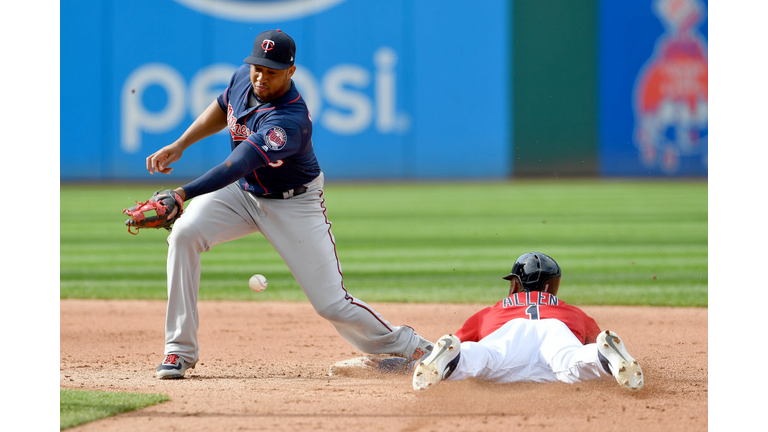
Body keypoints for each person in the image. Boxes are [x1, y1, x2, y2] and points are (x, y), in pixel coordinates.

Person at [144, 29, 433, 379]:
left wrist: (181, 194)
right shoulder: (243, 77)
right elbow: (224, 107)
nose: (262, 77)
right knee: (184, 234)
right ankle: (179, 351)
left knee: (331, 303)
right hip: (242, 193)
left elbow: (238, 163)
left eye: (273, 71)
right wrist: (181, 144)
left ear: (291, 72)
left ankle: (414, 347)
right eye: (258, 68)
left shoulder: (288, 120)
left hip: (294, 204)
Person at [411, 252, 644, 391]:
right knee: (573, 360)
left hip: (508, 332)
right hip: (556, 329)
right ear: (548, 287)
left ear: (515, 285)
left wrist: (408, 364)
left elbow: (458, 340)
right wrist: (597, 349)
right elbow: (594, 336)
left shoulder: (491, 311)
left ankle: (451, 362)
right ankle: (603, 358)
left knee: (482, 356)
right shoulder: (573, 312)